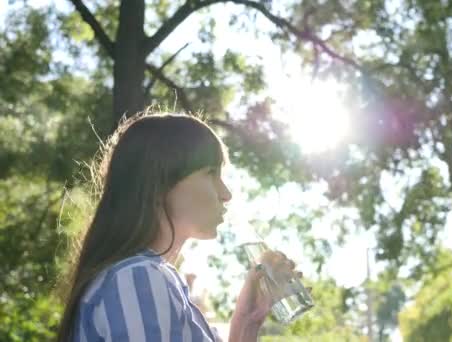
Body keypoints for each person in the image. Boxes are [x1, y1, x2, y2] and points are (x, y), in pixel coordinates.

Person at [56, 112, 298, 341]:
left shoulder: (144, 279)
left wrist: (247, 321)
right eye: (211, 172)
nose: (226, 193)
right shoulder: (139, 277)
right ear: (159, 182)